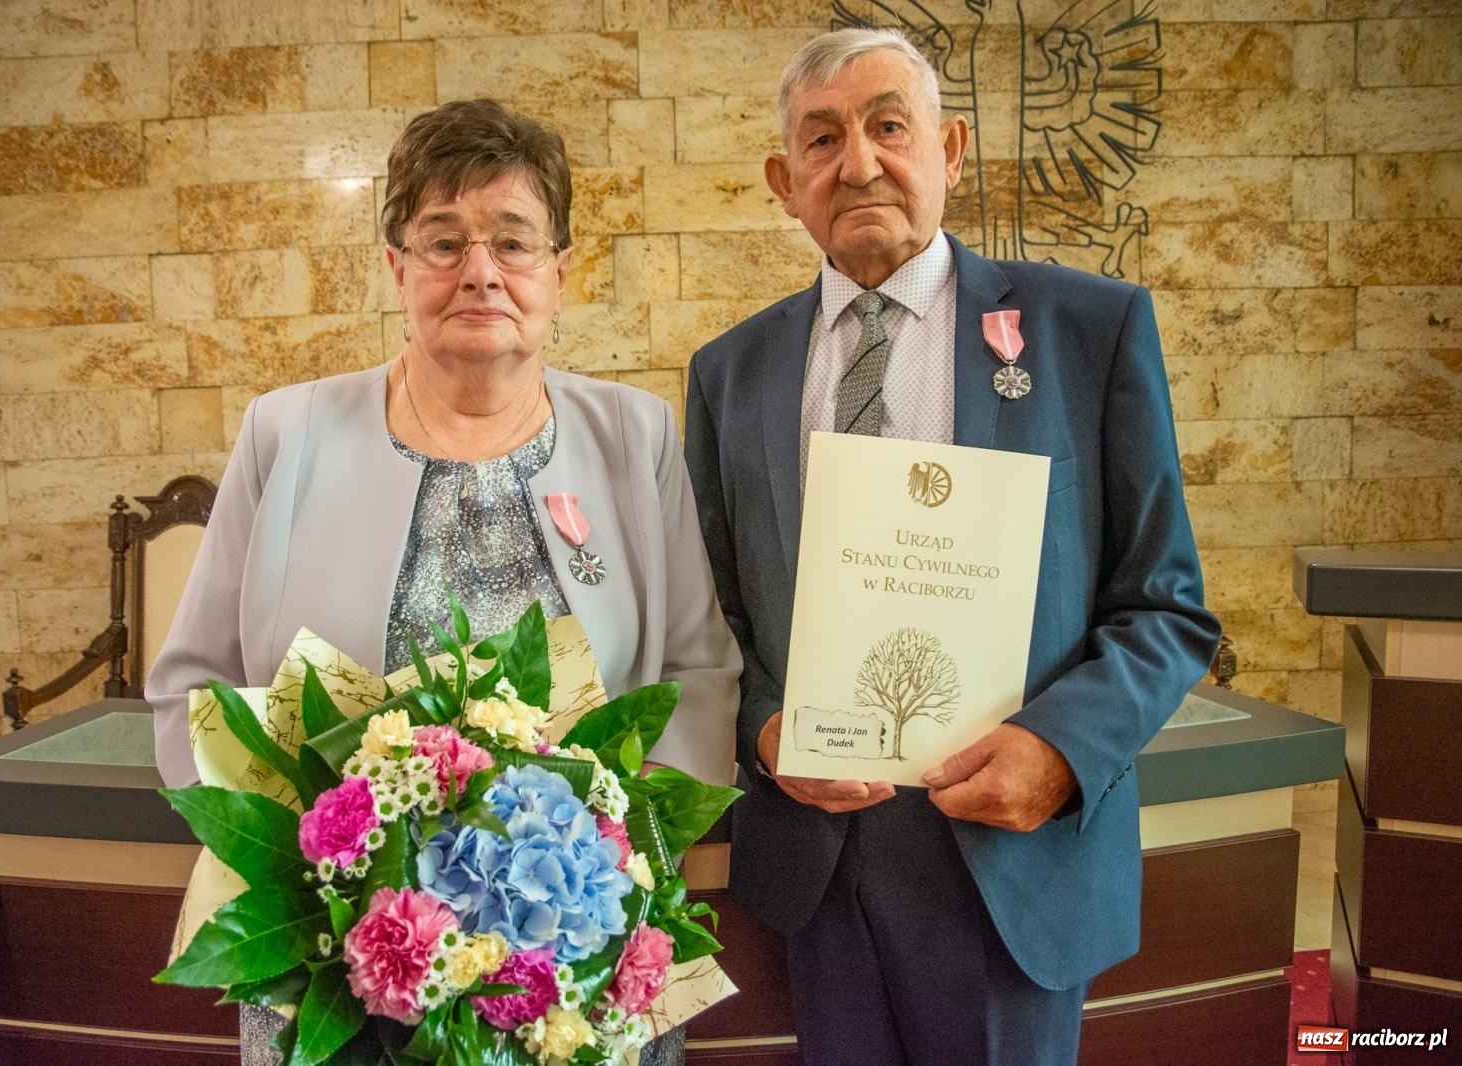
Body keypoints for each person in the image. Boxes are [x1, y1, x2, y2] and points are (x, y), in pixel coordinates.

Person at [149, 98, 739, 1066]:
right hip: (336, 968)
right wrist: (310, 886)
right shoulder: (284, 434)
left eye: (513, 240)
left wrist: (613, 877)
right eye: (442, 241)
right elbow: (192, 684)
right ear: (396, 267)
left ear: (560, 268)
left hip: (574, 972)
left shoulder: (634, 437)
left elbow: (698, 671)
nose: (479, 271)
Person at [684, 28, 1221, 1066]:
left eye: (889, 125)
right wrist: (762, 731)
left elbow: (1166, 604)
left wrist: (1060, 751)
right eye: (821, 139)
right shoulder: (728, 373)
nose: (860, 163)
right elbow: (716, 621)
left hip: (1010, 856)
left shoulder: (1086, 331)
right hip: (818, 872)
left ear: (952, 149)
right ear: (782, 181)